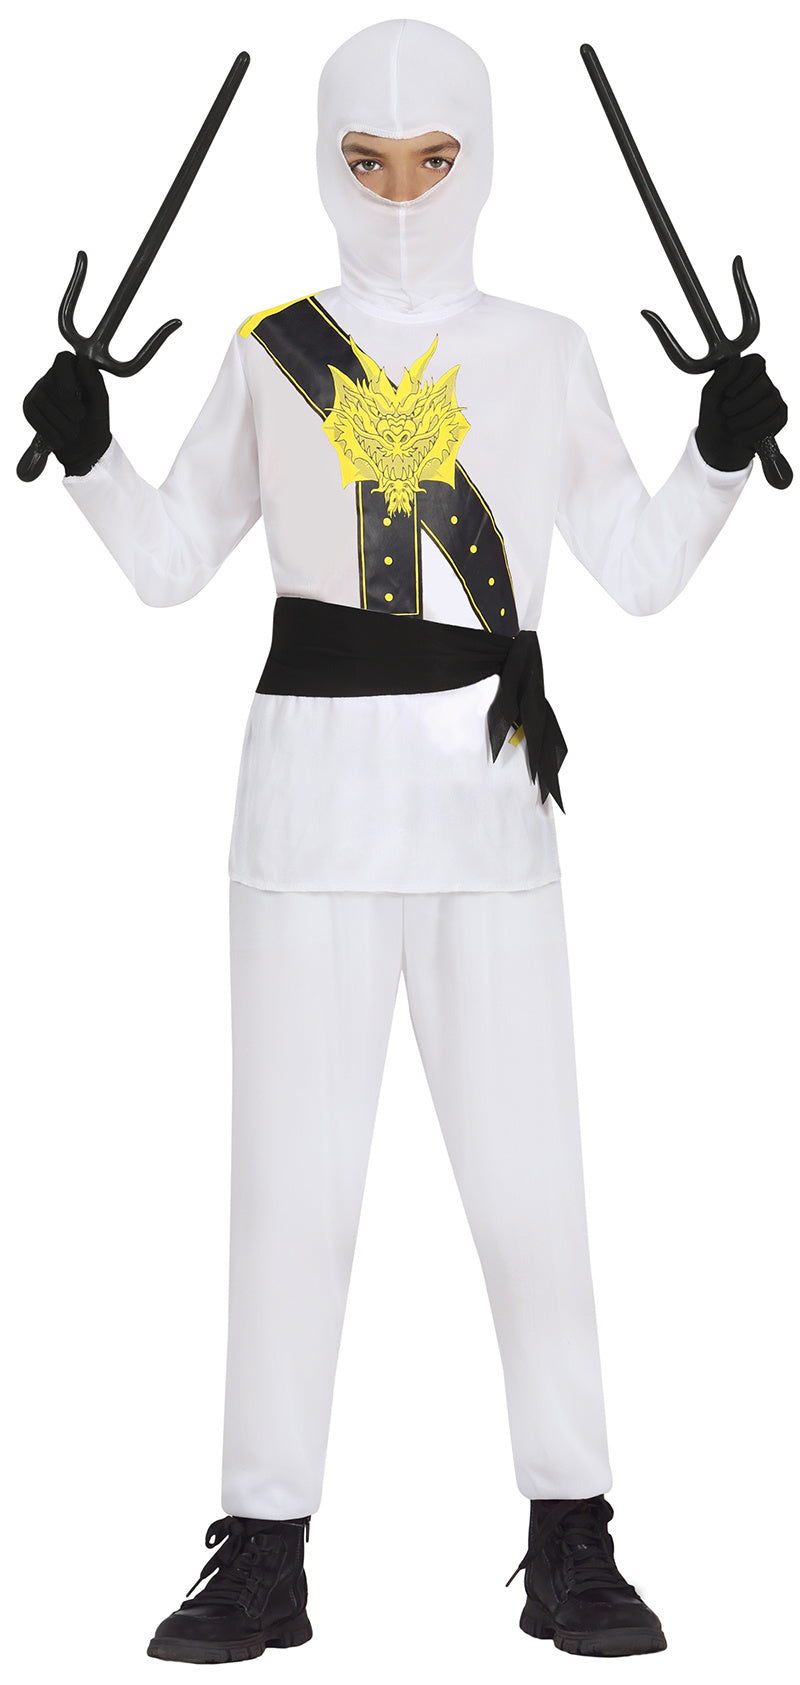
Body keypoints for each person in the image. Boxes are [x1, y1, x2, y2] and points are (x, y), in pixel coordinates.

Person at [22, 16, 788, 1666]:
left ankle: (573, 1536)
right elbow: (168, 563)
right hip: (303, 818)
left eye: (433, 160)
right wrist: (88, 453)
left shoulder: (545, 351)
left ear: (482, 158)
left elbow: (641, 567)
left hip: (490, 813)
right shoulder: (271, 348)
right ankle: (262, 1551)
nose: (398, 195)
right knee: (287, 1201)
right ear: (323, 162)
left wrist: (718, 455)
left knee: (531, 1192)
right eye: (365, 163)